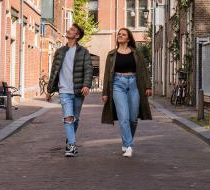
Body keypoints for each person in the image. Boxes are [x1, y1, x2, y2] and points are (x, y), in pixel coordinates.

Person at [101, 28, 152, 158]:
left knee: (133, 118)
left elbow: (144, 70)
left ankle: (126, 141)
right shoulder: (112, 55)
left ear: (128, 39)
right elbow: (107, 74)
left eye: (123, 34)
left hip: (134, 84)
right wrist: (105, 92)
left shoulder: (137, 53)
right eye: (119, 34)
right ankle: (129, 145)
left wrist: (147, 86)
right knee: (123, 117)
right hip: (118, 84)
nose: (120, 36)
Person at [45, 24, 93, 157]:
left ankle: (70, 140)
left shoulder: (83, 52)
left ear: (77, 36)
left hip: (78, 91)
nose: (68, 30)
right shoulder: (60, 51)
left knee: (75, 119)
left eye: (72, 30)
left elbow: (89, 69)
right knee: (68, 117)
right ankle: (72, 146)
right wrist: (49, 90)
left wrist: (86, 85)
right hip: (64, 90)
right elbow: (54, 71)